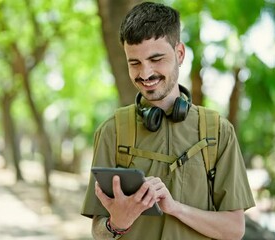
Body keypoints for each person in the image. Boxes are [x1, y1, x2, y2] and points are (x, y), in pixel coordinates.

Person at [81, 2, 255, 239]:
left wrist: (176, 209)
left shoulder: (218, 131)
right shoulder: (111, 132)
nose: (145, 73)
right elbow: (98, 232)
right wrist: (116, 224)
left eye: (156, 59)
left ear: (179, 53)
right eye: (135, 63)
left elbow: (234, 229)